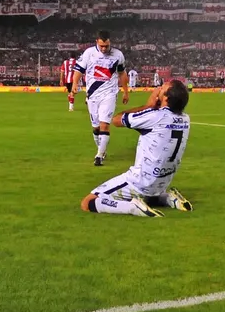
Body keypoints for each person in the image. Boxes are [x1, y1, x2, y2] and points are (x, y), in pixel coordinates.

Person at [80, 80, 193, 218]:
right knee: (149, 194)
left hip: (140, 181)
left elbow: (116, 120)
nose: (158, 89)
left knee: (89, 202)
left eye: (162, 88)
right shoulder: (186, 119)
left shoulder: (154, 116)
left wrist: (148, 105)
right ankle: (168, 198)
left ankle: (132, 207)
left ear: (166, 97)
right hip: (162, 182)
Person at [72, 31, 130, 165]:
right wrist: (75, 84)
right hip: (92, 94)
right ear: (97, 42)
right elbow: (79, 70)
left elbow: (122, 74)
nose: (104, 49)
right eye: (102, 46)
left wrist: (125, 91)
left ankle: (99, 156)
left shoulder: (118, 55)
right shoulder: (89, 53)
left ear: (110, 43)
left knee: (105, 125)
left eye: (107, 46)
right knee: (96, 127)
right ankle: (101, 149)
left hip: (109, 94)